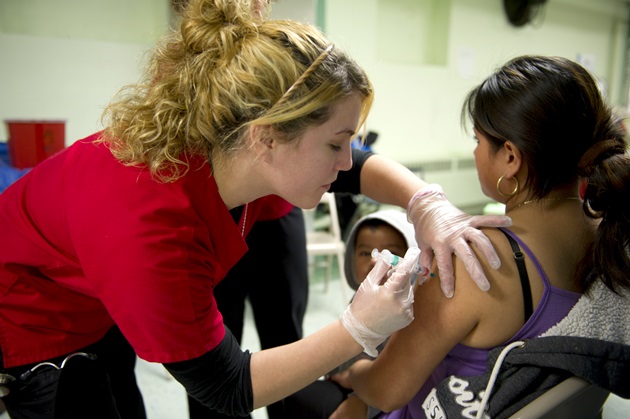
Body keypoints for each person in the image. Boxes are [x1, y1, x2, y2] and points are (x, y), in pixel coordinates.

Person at [0, 1, 511, 417]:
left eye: (347, 141)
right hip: (26, 321)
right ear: (266, 138)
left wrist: (426, 201)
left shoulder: (232, 149)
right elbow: (223, 385)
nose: (344, 162)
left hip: (91, 293)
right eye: (335, 143)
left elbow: (358, 167)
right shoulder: (154, 229)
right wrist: (358, 329)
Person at [342, 55, 630, 419]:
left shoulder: (474, 261)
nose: (474, 151)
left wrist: (353, 374)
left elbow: (385, 392)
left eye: (478, 140)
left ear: (510, 157)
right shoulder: (614, 241)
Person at [281, 209, 417, 419]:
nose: (376, 263)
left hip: (378, 398)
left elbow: (404, 379)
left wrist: (363, 404)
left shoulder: (408, 314)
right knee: (289, 392)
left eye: (391, 254)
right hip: (349, 382)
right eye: (366, 253)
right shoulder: (359, 299)